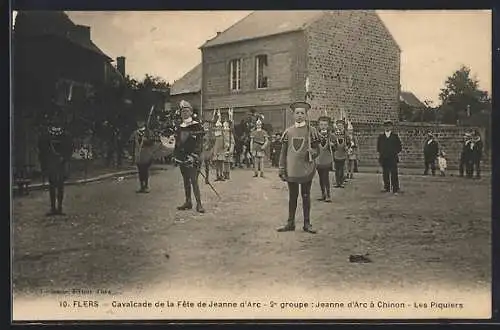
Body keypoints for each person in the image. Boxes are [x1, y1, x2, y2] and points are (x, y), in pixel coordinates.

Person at [277, 101, 320, 234]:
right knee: (292, 196)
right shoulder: (288, 132)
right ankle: (290, 223)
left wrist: (312, 152)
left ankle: (307, 223)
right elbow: (283, 152)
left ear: (306, 115)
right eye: (297, 113)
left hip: (306, 168)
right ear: (293, 115)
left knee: (306, 196)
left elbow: (317, 149)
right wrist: (281, 168)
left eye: (302, 113)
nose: (300, 115)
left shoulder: (311, 131)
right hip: (292, 169)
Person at [38, 111, 73, 216]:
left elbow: (70, 148)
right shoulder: (46, 135)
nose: (55, 124)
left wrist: (65, 158)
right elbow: (41, 148)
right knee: (53, 185)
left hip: (60, 163)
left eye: (56, 122)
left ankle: (59, 207)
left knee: (59, 186)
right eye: (53, 122)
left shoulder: (65, 135)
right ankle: (54, 207)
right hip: (52, 163)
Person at [173, 100, 205, 213]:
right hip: (182, 158)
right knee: (185, 180)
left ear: (191, 112)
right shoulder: (179, 127)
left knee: (193, 180)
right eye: (182, 111)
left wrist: (194, 156)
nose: (184, 113)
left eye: (187, 111)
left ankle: (199, 204)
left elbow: (200, 143)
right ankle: (188, 202)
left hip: (193, 158)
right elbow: (177, 143)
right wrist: (176, 156)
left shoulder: (197, 126)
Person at [129, 120, 156, 193]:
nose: (139, 123)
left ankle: (146, 185)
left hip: (146, 153)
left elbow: (153, 142)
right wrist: (132, 154)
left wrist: (147, 140)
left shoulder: (148, 132)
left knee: (145, 170)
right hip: (138, 154)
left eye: (141, 122)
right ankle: (141, 186)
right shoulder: (135, 133)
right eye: (138, 122)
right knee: (140, 171)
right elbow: (131, 142)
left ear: (144, 123)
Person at [377, 119, 402, 194]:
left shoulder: (395, 136)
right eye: (386, 126)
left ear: (391, 127)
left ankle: (395, 188)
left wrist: (393, 153)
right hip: (384, 158)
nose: (387, 128)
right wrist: (382, 154)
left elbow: (399, 147)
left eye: (389, 126)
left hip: (393, 158)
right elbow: (378, 147)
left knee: (394, 173)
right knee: (385, 173)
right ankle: (386, 187)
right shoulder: (381, 137)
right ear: (384, 127)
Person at [315, 116, 334, 202]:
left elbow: (336, 148)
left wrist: (333, 145)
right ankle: (323, 194)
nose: (323, 126)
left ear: (328, 126)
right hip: (318, 159)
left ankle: (328, 195)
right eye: (321, 124)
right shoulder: (316, 136)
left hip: (326, 159)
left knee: (325, 177)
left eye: (325, 125)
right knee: (320, 178)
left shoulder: (331, 136)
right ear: (319, 126)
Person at [201, 120, 215, 184]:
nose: (206, 125)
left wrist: (209, 146)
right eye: (205, 124)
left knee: (207, 165)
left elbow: (213, 141)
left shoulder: (210, 133)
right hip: (201, 150)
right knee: (199, 164)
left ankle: (207, 178)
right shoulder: (201, 132)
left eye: (207, 124)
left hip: (207, 150)